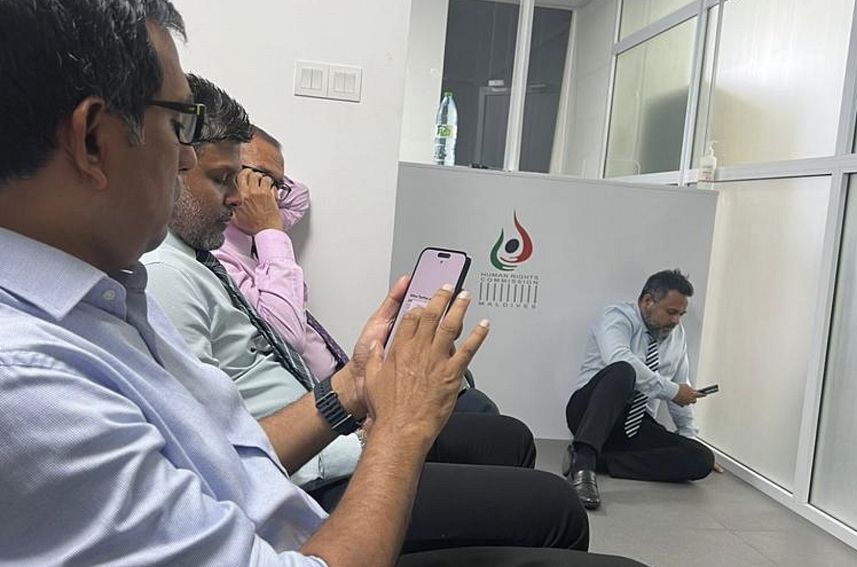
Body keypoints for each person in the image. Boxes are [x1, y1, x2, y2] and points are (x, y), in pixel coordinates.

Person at [0, 2, 647, 565]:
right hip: (306, 534)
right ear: (93, 140)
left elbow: (223, 454)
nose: (187, 157)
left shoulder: (112, 292)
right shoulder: (32, 385)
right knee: (559, 515)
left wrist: (351, 388)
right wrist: (400, 428)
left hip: (295, 515)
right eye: (179, 124)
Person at [143, 74, 592, 552]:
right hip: (312, 476)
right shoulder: (174, 270)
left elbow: (299, 198)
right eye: (224, 179)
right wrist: (369, 434)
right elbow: (221, 456)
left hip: (324, 435)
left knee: (506, 440)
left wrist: (356, 388)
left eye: (249, 180)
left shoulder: (202, 250)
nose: (242, 196)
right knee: (554, 504)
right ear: (175, 165)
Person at [214, 125, 499, 414]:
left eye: (274, 185)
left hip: (344, 381)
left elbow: (300, 197)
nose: (270, 195)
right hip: (321, 408)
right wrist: (269, 230)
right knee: (491, 421)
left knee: (471, 398)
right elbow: (285, 336)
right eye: (258, 180)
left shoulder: (252, 228)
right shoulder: (223, 254)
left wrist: (264, 186)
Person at [564, 269, 716, 510]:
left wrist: (688, 438)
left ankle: (600, 461)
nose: (676, 321)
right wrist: (672, 391)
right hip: (589, 412)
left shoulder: (677, 336)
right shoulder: (617, 317)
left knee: (702, 458)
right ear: (647, 302)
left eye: (681, 314)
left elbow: (681, 386)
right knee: (623, 371)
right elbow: (618, 358)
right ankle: (584, 465)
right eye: (671, 312)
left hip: (634, 423)